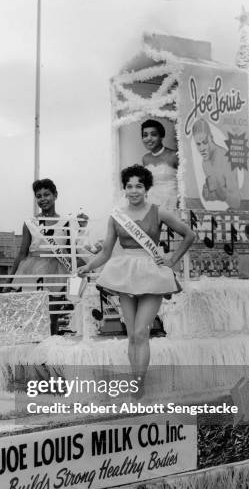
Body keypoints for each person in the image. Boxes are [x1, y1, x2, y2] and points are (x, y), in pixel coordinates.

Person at [78, 165, 194, 386]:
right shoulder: (117, 217)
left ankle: (139, 379)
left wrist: (172, 260)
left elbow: (189, 235)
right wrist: (88, 266)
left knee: (142, 331)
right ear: (124, 189)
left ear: (146, 188)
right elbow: (106, 252)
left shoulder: (159, 212)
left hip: (152, 274)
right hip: (126, 275)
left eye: (138, 186)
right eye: (129, 186)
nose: (133, 191)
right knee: (132, 335)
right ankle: (136, 379)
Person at [7, 179, 72, 334]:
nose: (43, 199)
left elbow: (71, 252)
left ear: (55, 195)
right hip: (32, 270)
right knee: (33, 316)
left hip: (57, 271)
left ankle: (51, 353)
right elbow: (22, 253)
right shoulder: (30, 223)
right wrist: (9, 279)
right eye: (39, 196)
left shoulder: (66, 222)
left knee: (52, 316)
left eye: (47, 194)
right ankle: (35, 356)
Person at [192, 119, 241, 209]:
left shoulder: (225, 158)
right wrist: (206, 193)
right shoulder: (205, 163)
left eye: (205, 142)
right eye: (198, 144)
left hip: (233, 215)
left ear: (211, 137)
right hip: (215, 214)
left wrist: (223, 194)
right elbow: (213, 196)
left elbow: (236, 202)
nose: (202, 148)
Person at [140, 119, 179, 210]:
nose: (149, 138)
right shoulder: (145, 159)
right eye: (145, 135)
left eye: (153, 134)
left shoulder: (174, 155)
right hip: (152, 201)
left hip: (172, 202)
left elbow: (184, 183)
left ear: (161, 136)